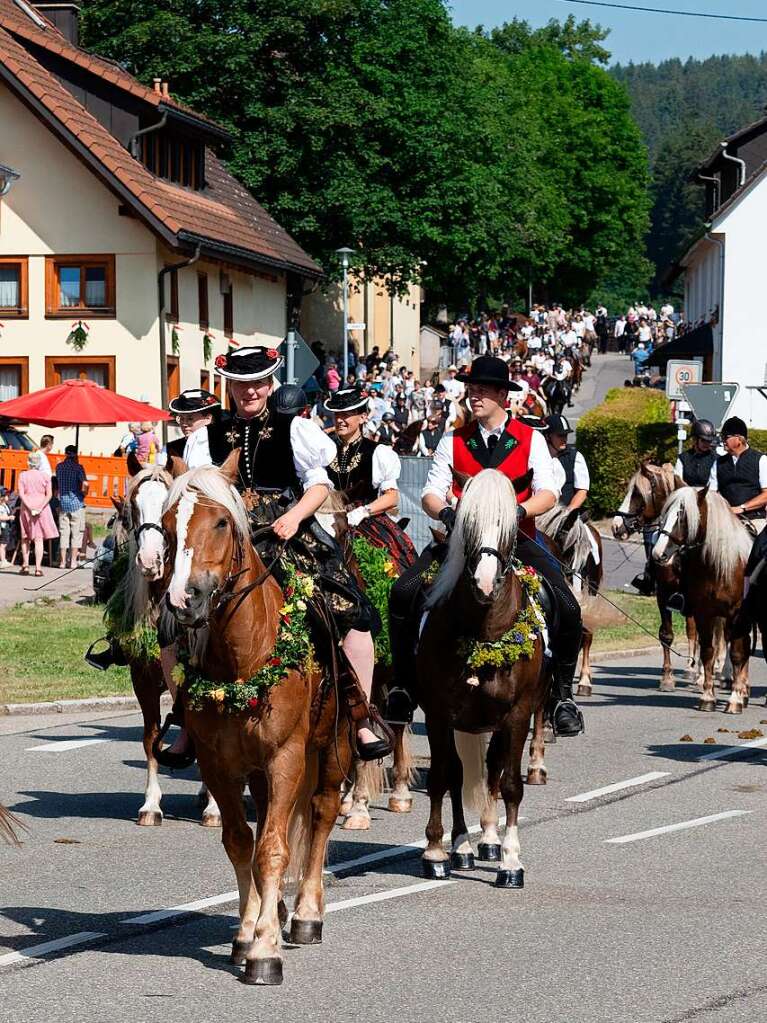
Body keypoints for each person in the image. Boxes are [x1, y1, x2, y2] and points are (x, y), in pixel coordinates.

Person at [190, 346, 390, 762]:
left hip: (284, 534)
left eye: (259, 383)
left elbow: (318, 486)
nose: (251, 391)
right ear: (230, 386)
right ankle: (186, 716)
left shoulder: (293, 429)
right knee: (177, 613)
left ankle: (360, 713)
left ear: (269, 385)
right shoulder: (205, 436)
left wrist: (296, 517)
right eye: (243, 384)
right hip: (227, 540)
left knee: (350, 608)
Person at [384, 355, 584, 737]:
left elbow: (549, 492)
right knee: (403, 592)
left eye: (484, 391)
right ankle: (404, 688)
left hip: (516, 538)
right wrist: (445, 513)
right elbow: (430, 491)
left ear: (502, 396)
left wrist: (517, 511)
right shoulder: (453, 439)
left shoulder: (531, 439)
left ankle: (561, 695)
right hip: (461, 540)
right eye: (471, 390)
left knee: (568, 605)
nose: (474, 397)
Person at [324, 387, 413, 569]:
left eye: (346, 415)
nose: (340, 420)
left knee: (388, 569)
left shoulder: (378, 452)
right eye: (337, 415)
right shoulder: (324, 449)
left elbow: (392, 497)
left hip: (363, 522)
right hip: (326, 517)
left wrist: (363, 511)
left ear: (363, 417)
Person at [708, 417, 767, 529]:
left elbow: (766, 494)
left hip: (755, 520)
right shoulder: (718, 463)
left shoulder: (761, 460)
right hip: (725, 520)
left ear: (739, 439)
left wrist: (742, 508)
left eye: (726, 437)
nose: (723, 440)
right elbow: (711, 493)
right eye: (722, 437)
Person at [18, 452, 58, 576]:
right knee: (39, 539)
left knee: (26, 538)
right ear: (40, 463)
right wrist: (40, 507)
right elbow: (49, 494)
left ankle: (25, 565)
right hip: (42, 507)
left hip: (26, 507)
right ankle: (38, 568)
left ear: (28, 462)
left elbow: (21, 494)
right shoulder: (46, 476)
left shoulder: (23, 475)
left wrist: (29, 507)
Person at [166, 389, 226, 469]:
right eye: (181, 418)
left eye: (190, 419)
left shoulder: (224, 443)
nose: (184, 424)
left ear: (208, 418)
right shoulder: (172, 448)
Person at [544, 414, 590, 510]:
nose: (564, 439)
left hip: (568, 514)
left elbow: (582, 491)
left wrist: (567, 514)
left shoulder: (575, 457)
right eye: (560, 435)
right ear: (548, 436)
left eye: (565, 435)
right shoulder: (538, 457)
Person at [55, 445, 88, 569]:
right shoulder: (78, 468)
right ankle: (73, 562)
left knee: (63, 533)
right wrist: (85, 493)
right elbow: (85, 483)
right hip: (76, 503)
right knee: (76, 534)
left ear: (65, 453)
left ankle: (62, 562)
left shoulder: (59, 467)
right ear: (76, 454)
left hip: (63, 503)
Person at [674, 419, 717, 487]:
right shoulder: (683, 458)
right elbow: (678, 480)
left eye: (709, 441)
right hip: (686, 494)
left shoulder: (716, 459)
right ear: (695, 439)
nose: (706, 444)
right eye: (703, 440)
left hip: (708, 494)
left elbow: (714, 484)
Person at [0, 486, 13, 568]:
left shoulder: (5, 505)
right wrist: (9, 518)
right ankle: (2, 560)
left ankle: (3, 559)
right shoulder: (1, 506)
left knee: (4, 544)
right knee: (2, 544)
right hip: (3, 527)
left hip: (6, 526)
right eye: (7, 495)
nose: (9, 497)